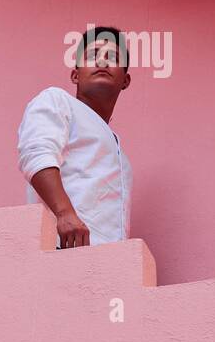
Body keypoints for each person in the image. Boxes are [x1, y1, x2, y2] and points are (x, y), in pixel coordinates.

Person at [17, 26, 132, 248]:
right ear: (75, 75)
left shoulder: (121, 155)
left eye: (113, 57)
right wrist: (64, 213)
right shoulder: (57, 100)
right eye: (92, 56)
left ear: (125, 80)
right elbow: (36, 154)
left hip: (105, 262)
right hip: (62, 247)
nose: (102, 62)